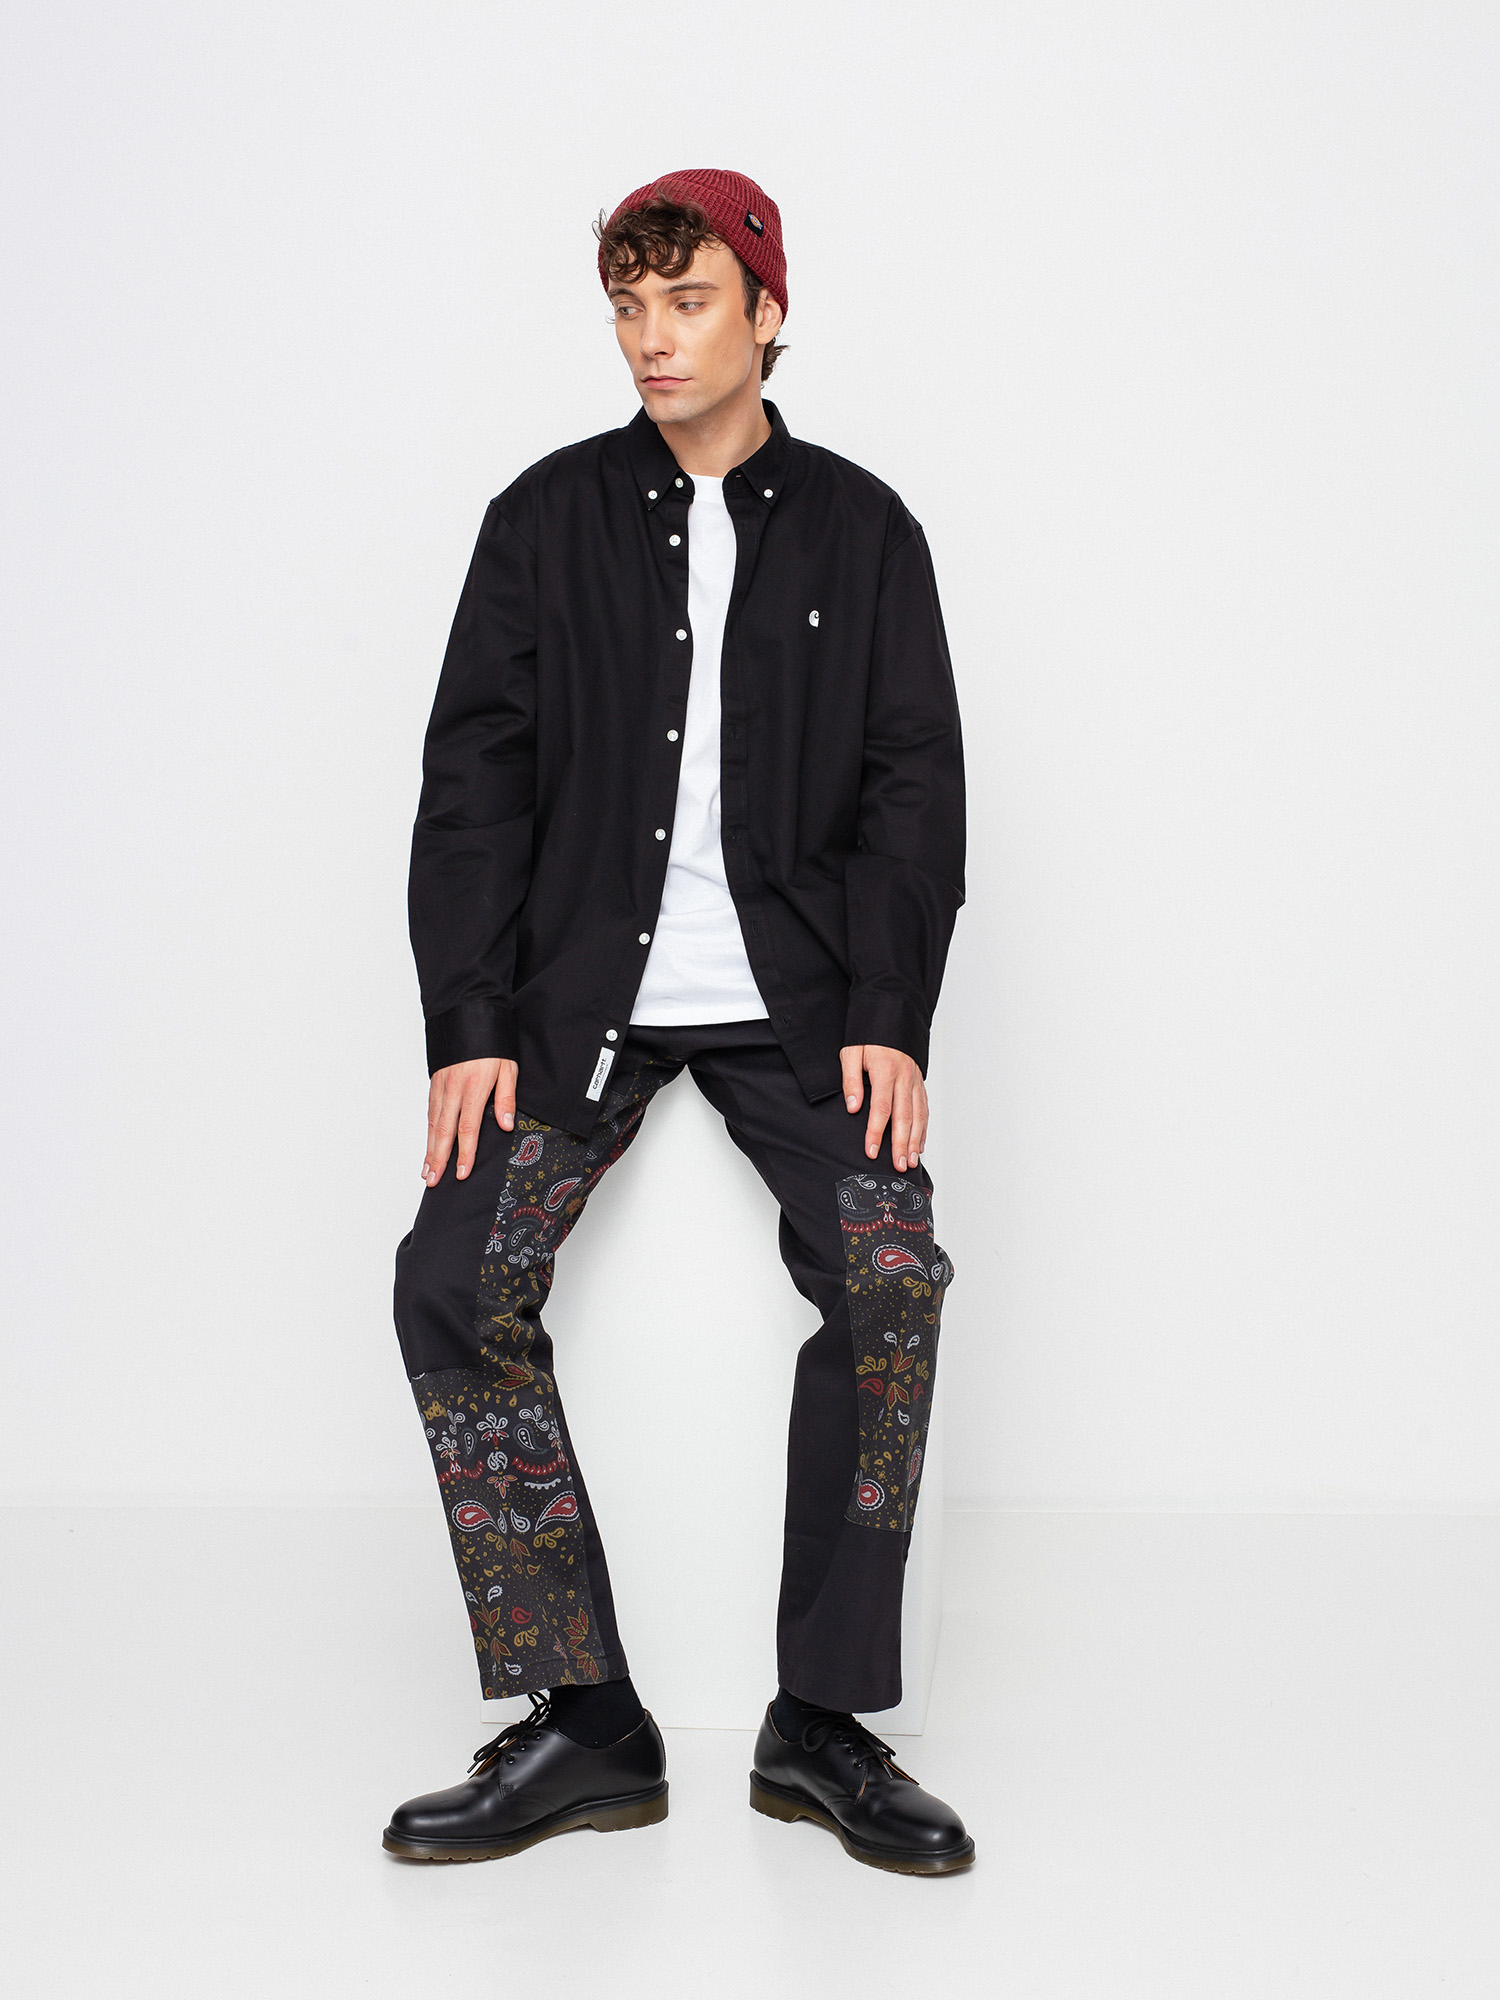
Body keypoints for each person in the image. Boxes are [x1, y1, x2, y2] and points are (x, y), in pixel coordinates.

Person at [383, 169, 971, 1875]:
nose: (652, 336)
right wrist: (469, 1021)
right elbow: (473, 787)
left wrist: (889, 1011)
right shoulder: (543, 521)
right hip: (579, 1004)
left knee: (892, 1276)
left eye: (688, 300)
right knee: (450, 1277)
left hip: (804, 1005)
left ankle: (824, 1721)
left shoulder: (865, 532)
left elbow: (913, 787)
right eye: (628, 306)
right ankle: (584, 1716)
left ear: (768, 311)